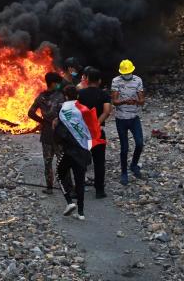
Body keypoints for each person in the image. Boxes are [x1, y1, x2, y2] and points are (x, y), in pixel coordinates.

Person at [54, 85, 103, 220]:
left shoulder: (62, 109)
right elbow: (90, 127)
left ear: (65, 96)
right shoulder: (83, 109)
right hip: (83, 150)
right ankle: (81, 213)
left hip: (69, 151)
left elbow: (60, 132)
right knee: (80, 181)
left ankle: (69, 202)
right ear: (77, 96)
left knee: (59, 175)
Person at [76, 67, 112, 199]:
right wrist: (96, 123)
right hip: (98, 132)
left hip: (83, 132)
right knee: (99, 161)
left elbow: (76, 111)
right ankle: (99, 190)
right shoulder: (104, 94)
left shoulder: (81, 94)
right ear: (100, 80)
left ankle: (78, 189)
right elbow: (107, 111)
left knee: (80, 161)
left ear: (87, 79)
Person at [27, 72, 65, 193]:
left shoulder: (41, 97)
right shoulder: (61, 96)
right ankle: (67, 187)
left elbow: (30, 113)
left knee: (47, 162)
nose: (59, 85)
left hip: (47, 133)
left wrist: (42, 121)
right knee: (63, 161)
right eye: (58, 83)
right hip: (59, 132)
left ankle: (49, 188)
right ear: (53, 83)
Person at [111, 59, 145, 185]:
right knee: (124, 148)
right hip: (121, 118)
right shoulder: (115, 81)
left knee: (140, 143)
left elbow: (142, 100)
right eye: (125, 73)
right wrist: (125, 101)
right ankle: (124, 173)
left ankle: (134, 165)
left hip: (134, 117)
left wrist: (136, 101)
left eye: (128, 73)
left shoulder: (138, 80)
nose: (127, 75)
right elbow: (114, 101)